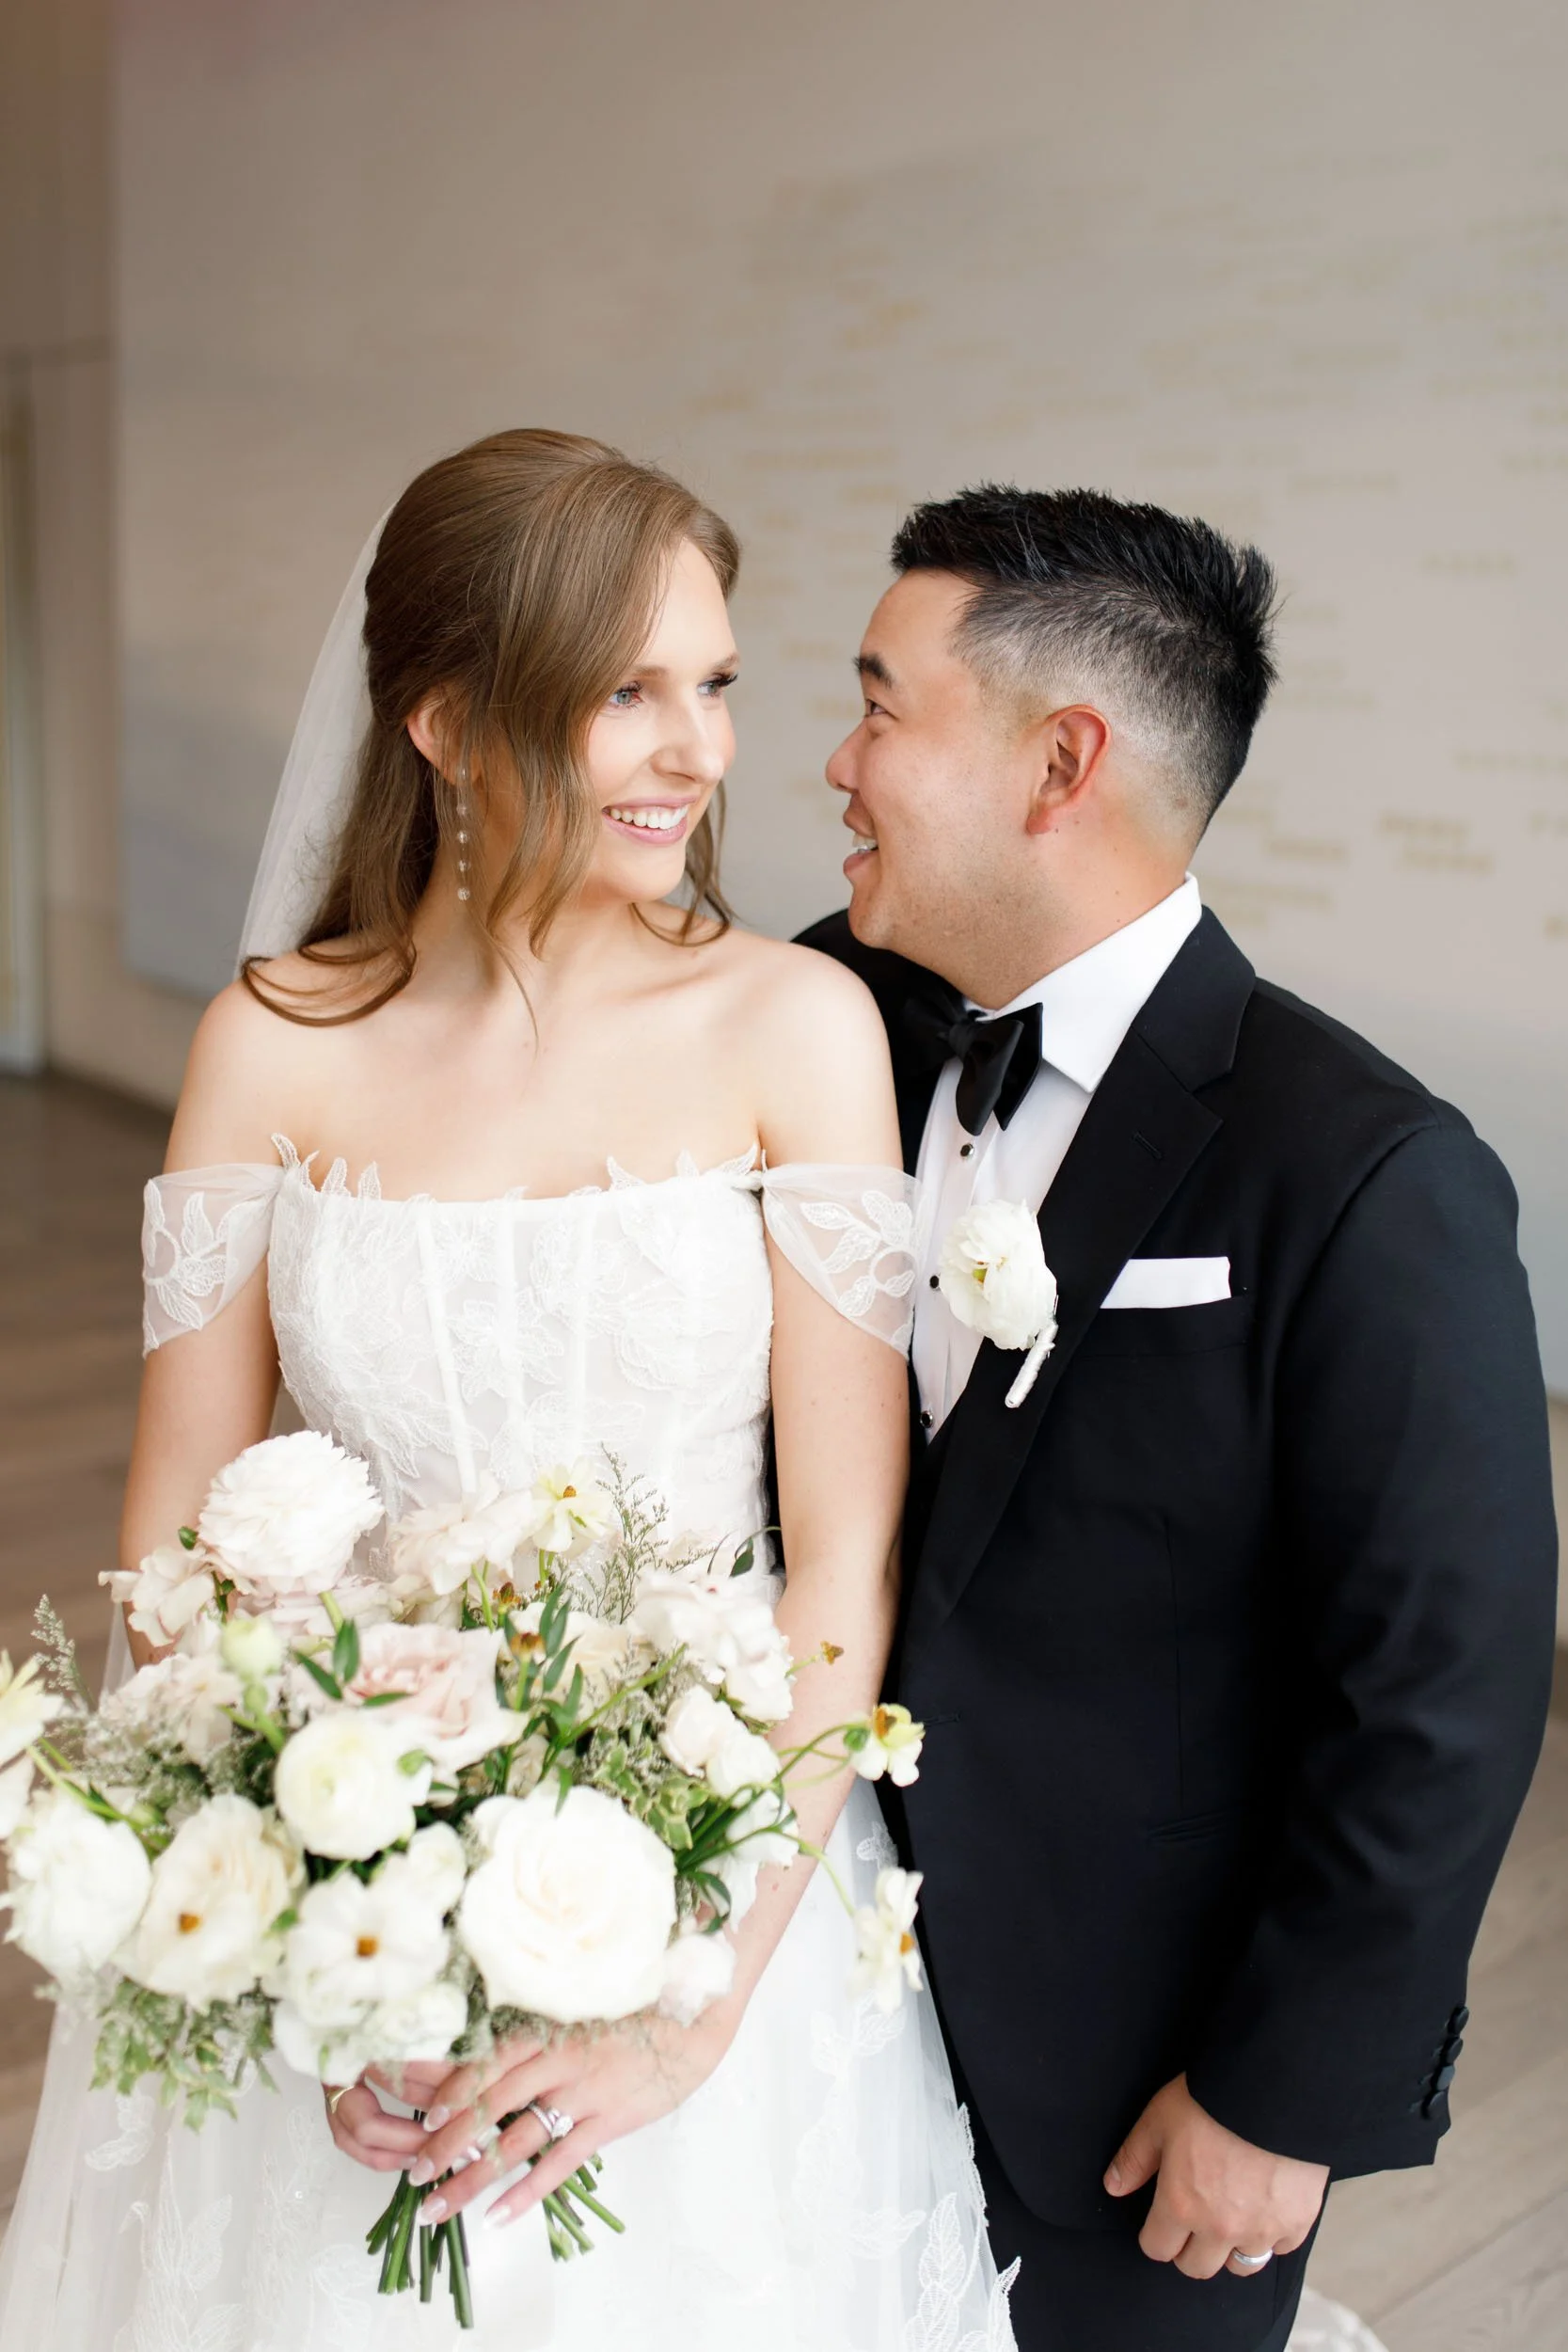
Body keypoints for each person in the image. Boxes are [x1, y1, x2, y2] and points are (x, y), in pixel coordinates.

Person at [0, 431, 1016, 2350]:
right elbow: (178, 1529)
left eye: (713, 685)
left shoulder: (789, 1029)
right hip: (349, 1867)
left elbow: (841, 1558)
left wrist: (679, 2007)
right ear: (448, 721)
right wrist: (296, 1940)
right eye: (625, 692)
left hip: (723, 1885)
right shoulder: (268, 1042)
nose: (697, 752)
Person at [800, 484, 1559, 2352]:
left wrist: (1282, 2093)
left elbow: (1439, 1690)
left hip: (1127, 2086)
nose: (835, 758)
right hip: (793, 2000)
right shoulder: (824, 1023)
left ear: (1057, 759)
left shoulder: (1363, 1170)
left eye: (880, 704)